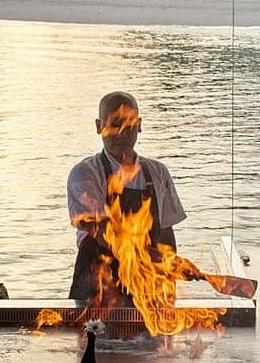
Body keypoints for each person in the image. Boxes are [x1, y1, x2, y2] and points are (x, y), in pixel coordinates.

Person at [66, 92, 187, 303]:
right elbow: (103, 233)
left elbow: (167, 233)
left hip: (149, 289)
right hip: (98, 288)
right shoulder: (84, 174)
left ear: (139, 124)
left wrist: (170, 283)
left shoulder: (158, 172)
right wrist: (145, 257)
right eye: (113, 124)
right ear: (98, 126)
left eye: (129, 123)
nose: (121, 132)